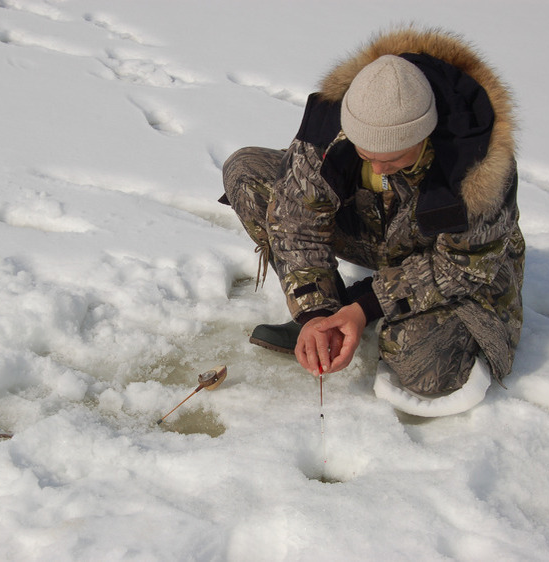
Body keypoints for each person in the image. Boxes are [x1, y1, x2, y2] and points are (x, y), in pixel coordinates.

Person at [220, 27, 524, 416]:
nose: (379, 167)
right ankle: (336, 304)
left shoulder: (478, 163)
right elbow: (297, 220)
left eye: (394, 159)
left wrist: (367, 304)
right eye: (367, 155)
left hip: (461, 262)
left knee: (422, 368)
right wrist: (316, 312)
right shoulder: (334, 123)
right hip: (381, 231)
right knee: (247, 173)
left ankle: (452, 334)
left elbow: (462, 268)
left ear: (425, 134)